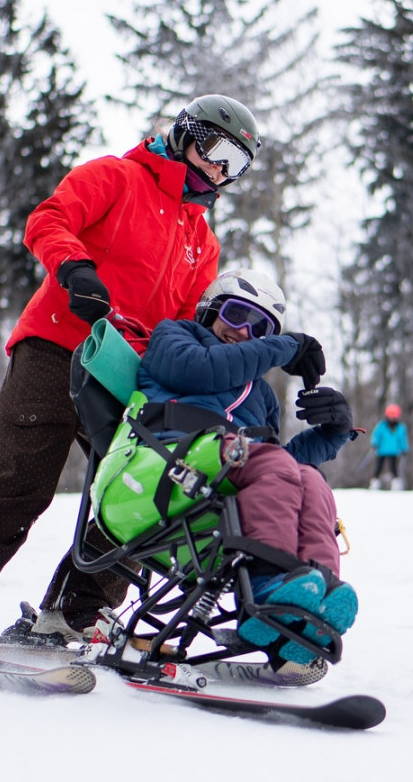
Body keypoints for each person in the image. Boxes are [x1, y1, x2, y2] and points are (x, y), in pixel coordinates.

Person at [0, 94, 263, 660]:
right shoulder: (117, 176)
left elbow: (182, 323)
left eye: (237, 163)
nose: (220, 168)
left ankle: (74, 614)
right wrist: (75, 267)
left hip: (128, 376)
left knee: (139, 492)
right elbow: (49, 218)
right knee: (21, 487)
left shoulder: (200, 241)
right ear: (185, 135)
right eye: (215, 148)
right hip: (59, 347)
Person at [132, 269, 358, 664]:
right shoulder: (175, 338)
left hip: (224, 476)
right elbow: (199, 370)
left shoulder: (262, 394)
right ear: (210, 310)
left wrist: (332, 434)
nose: (244, 332)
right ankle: (267, 583)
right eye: (237, 315)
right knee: (272, 462)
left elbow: (278, 470)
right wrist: (286, 346)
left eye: (261, 329)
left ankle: (312, 596)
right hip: (170, 463)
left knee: (310, 481)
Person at [369, 404, 409, 490]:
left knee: (393, 468)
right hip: (381, 450)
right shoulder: (382, 426)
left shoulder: (400, 428)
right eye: (391, 416)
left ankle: (396, 485)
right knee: (378, 468)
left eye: (394, 416)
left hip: (393, 451)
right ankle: (374, 484)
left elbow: (402, 439)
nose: (392, 418)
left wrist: (404, 449)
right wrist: (375, 443)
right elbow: (376, 435)